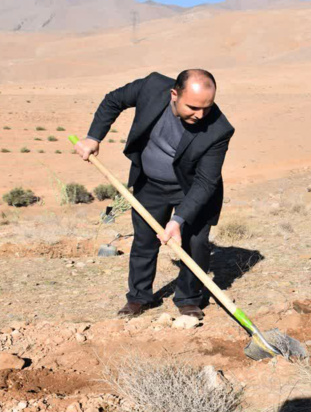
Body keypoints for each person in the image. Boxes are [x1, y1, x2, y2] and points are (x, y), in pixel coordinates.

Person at [75, 69, 234, 319]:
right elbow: (113, 100)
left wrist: (178, 220)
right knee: (144, 241)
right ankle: (139, 297)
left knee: (195, 244)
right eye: (193, 107)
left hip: (191, 190)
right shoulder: (151, 87)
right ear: (174, 94)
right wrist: (93, 137)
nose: (200, 114)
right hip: (150, 184)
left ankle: (189, 299)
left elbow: (205, 182)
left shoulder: (219, 129)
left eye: (207, 107)